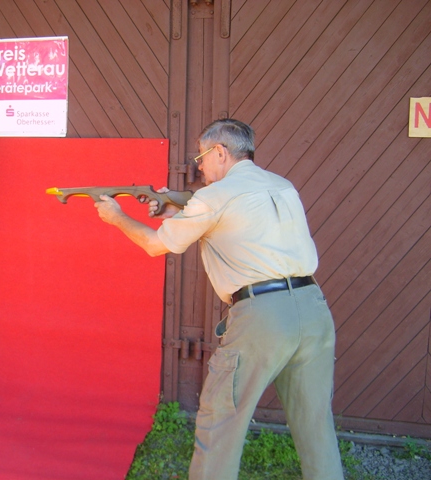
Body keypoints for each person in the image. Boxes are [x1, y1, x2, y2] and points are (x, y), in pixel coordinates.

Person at [94, 119, 344, 480]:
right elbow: (240, 228)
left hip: (262, 317)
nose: (199, 165)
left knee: (221, 423)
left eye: (201, 156)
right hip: (313, 308)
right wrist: (177, 211)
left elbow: (155, 245)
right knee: (315, 423)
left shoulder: (214, 196)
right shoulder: (282, 186)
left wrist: (116, 218)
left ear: (220, 152)